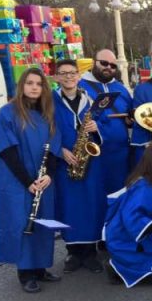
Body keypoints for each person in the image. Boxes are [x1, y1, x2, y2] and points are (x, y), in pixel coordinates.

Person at [0, 68, 63, 293]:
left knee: (43, 223)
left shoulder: (47, 114)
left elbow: (54, 148)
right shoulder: (8, 112)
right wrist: (27, 181)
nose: (34, 87)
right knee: (23, 224)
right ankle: (25, 273)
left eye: (39, 84)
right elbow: (6, 150)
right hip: (18, 180)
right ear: (22, 86)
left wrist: (49, 174)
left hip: (42, 180)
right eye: (30, 83)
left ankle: (40, 268)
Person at [52, 59, 107, 274]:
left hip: (89, 161)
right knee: (69, 206)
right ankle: (73, 252)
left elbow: (105, 123)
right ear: (56, 77)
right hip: (65, 160)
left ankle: (91, 252)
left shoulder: (90, 99)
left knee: (92, 204)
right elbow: (46, 129)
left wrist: (96, 126)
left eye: (72, 73)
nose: (68, 77)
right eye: (63, 73)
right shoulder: (50, 101)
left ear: (79, 75)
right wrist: (60, 150)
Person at [104, 143, 152, 288]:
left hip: (148, 237)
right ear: (151, 164)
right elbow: (132, 217)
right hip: (127, 241)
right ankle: (116, 267)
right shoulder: (144, 187)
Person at [79, 49, 132, 195]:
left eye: (113, 66)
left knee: (120, 196)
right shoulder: (79, 87)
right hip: (96, 156)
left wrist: (130, 120)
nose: (108, 67)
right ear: (93, 63)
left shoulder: (122, 89)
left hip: (121, 156)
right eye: (104, 63)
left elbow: (130, 116)